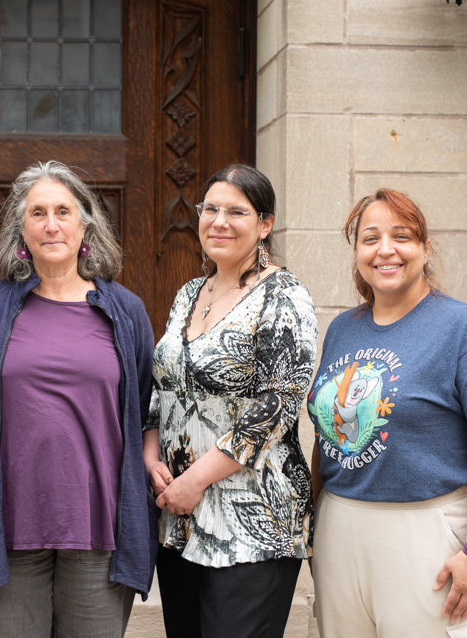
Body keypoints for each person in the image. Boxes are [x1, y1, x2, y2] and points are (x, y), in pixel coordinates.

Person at [307, 188, 467, 638]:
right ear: (357, 254)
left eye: (402, 236)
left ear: (425, 249)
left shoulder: (465, 329)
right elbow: (326, 434)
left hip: (426, 532)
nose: (385, 249)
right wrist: (315, 526)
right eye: (370, 239)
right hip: (339, 524)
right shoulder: (342, 329)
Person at [0, 161, 156, 638]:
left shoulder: (124, 310)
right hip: (7, 528)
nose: (51, 224)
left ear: (86, 226)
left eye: (63, 211)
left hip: (99, 527)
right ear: (21, 231)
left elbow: (145, 407)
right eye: (37, 213)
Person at [142, 164, 317, 638]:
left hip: (253, 519)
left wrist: (193, 481)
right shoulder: (189, 294)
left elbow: (277, 407)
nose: (219, 221)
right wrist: (150, 452)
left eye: (236, 211)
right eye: (210, 209)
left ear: (265, 224)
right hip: (179, 518)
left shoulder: (284, 297)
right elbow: (165, 384)